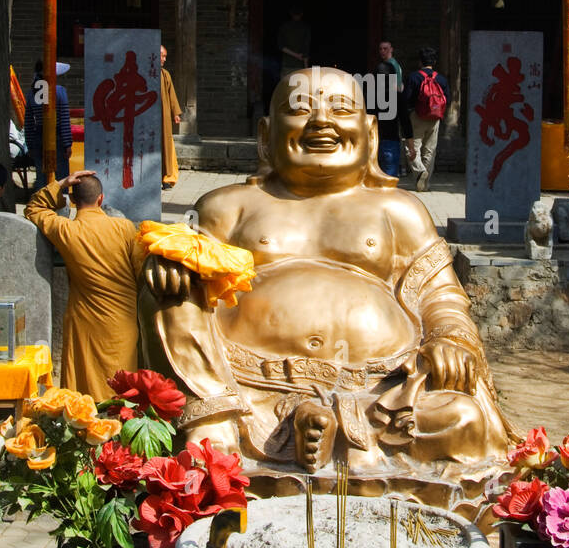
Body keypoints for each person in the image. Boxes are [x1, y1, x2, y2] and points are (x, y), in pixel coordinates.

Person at [139, 66, 512, 495]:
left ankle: (334, 429)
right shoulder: (230, 206)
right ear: (265, 135)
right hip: (247, 384)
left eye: (340, 109)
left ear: (370, 134)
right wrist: (169, 268)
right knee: (169, 291)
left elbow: (440, 295)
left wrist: (450, 337)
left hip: (381, 389)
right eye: (299, 110)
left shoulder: (399, 211)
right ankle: (213, 422)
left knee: (465, 421)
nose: (321, 121)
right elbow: (185, 260)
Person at [25, 170, 146, 401]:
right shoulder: (124, 228)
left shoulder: (65, 230)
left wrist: (61, 182)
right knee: (122, 388)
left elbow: (34, 208)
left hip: (84, 323)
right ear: (101, 199)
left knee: (83, 387)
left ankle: (85, 428)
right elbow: (140, 270)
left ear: (72, 201)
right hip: (123, 323)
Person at [403, 47, 449, 192]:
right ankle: (424, 184)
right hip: (435, 118)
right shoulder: (441, 79)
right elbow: (447, 98)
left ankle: (419, 172)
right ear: (434, 61)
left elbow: (406, 99)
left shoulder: (414, 77)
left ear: (420, 62)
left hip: (417, 116)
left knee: (411, 148)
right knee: (430, 150)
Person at [24, 60, 72, 190]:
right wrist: (67, 143)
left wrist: (30, 143)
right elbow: (64, 119)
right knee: (61, 174)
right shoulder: (59, 91)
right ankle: (61, 204)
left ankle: (41, 204)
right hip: (56, 136)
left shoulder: (31, 93)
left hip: (38, 136)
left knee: (41, 174)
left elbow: (28, 121)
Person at [375, 42, 405, 177]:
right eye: (380, 49)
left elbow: (398, 88)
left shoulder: (392, 65)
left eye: (385, 49)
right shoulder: (391, 65)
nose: (382, 51)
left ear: (391, 49)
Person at [159, 45, 182, 190]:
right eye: (162, 56)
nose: (164, 59)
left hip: (163, 117)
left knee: (166, 146)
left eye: (165, 56)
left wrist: (175, 113)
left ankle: (166, 178)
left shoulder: (164, 74)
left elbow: (171, 94)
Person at [277, 5, 310, 79]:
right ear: (301, 14)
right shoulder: (305, 28)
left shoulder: (284, 27)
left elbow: (281, 46)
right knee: (300, 90)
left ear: (291, 14)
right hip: (298, 67)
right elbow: (306, 51)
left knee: (285, 90)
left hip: (287, 65)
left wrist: (296, 55)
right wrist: (306, 69)